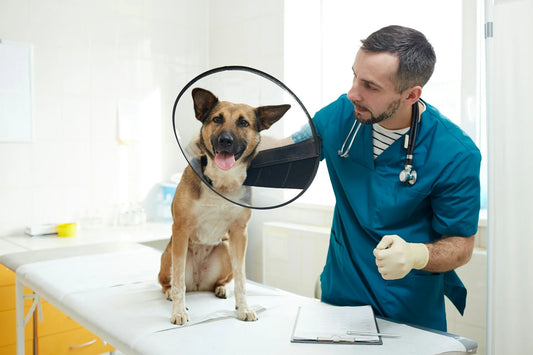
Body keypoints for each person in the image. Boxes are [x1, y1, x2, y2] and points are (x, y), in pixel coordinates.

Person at [290, 25, 481, 331]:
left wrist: (417, 254)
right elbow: (284, 156)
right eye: (354, 76)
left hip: (407, 310)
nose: (353, 92)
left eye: (370, 86)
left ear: (411, 95)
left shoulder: (455, 153)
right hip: (340, 300)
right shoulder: (342, 113)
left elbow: (461, 244)